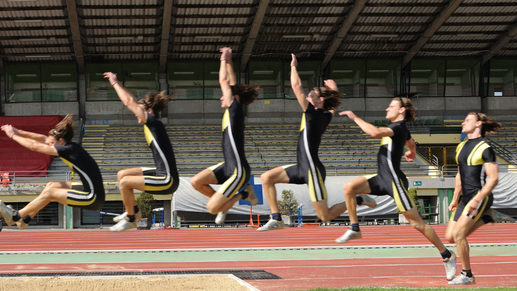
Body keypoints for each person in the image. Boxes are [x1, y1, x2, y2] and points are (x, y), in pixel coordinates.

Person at [258, 53, 375, 231]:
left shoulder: (313, 113)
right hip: (301, 167)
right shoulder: (325, 115)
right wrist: (334, 89)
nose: (307, 94)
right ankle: (276, 218)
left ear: (319, 100)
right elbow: (333, 107)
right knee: (266, 178)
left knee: (324, 215)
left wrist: (293, 66)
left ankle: (358, 199)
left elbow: (296, 85)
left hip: (312, 170)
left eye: (311, 93)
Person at [336, 97, 456, 268]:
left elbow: (375, 133)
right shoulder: (402, 130)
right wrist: (412, 152)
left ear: (402, 110)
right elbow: (410, 140)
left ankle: (447, 254)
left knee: (417, 223)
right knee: (349, 187)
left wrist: (354, 117)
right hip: (381, 178)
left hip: (394, 181)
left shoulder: (397, 127)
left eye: (391, 106)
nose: (386, 109)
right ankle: (355, 228)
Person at [189, 47, 259, 224]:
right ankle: (224, 204)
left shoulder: (234, 109)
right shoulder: (234, 109)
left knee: (211, 208)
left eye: (224, 95)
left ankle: (244, 193)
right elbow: (231, 82)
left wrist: (222, 59)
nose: (221, 98)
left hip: (238, 171)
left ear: (233, 97)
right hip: (227, 166)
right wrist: (229, 61)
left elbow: (223, 80)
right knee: (196, 182)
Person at [0, 114, 105, 229]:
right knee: (51, 186)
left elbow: (34, 146)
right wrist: (18, 131)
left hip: (93, 198)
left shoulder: (66, 150)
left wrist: (12, 135)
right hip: (91, 190)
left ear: (60, 141)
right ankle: (25, 220)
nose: (49, 145)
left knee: (50, 193)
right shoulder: (69, 146)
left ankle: (15, 216)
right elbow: (42, 139)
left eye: (51, 144)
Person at [103, 71, 178, 232]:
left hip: (167, 179)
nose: (136, 115)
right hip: (160, 172)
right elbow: (135, 101)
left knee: (125, 183)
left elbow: (129, 101)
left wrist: (115, 82)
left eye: (140, 111)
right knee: (122, 174)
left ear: (149, 111)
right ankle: (134, 211)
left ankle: (131, 219)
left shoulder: (153, 123)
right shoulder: (151, 123)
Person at [444, 112, 501, 285]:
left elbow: (493, 178)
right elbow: (460, 175)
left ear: (479, 124)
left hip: (479, 197)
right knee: (450, 237)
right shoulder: (461, 146)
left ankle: (467, 274)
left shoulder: (485, 148)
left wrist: (478, 199)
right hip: (465, 199)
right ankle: (486, 218)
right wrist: (455, 198)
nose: (463, 122)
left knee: (459, 234)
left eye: (467, 120)